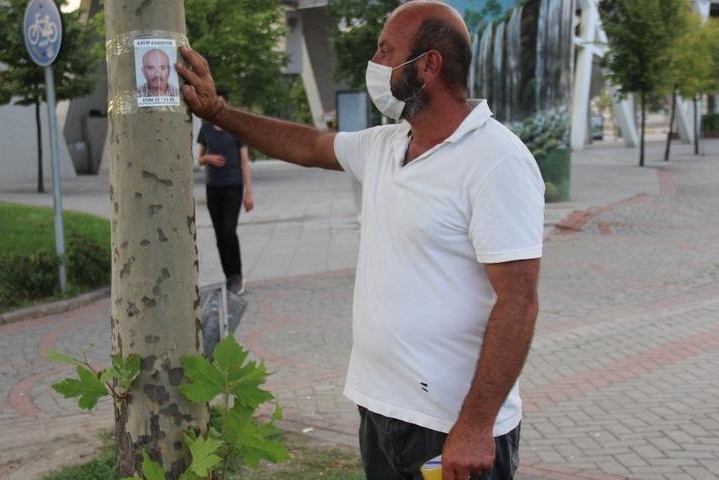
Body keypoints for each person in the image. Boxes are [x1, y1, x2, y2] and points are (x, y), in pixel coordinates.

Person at [176, 1, 543, 478]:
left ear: (428, 65)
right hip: (382, 411)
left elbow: (519, 302)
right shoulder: (386, 145)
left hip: (450, 427)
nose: (375, 63)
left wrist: (475, 425)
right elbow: (306, 144)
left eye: (386, 51)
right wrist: (218, 112)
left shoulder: (496, 159)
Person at [197, 90, 254, 295]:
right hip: (213, 187)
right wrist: (208, 159)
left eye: (223, 103)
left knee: (229, 230)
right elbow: (200, 159)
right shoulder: (205, 130)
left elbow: (245, 162)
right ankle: (228, 276)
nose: (219, 106)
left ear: (227, 105)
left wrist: (249, 192)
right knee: (220, 235)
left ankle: (237, 275)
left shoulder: (235, 129)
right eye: (216, 102)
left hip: (233, 186)